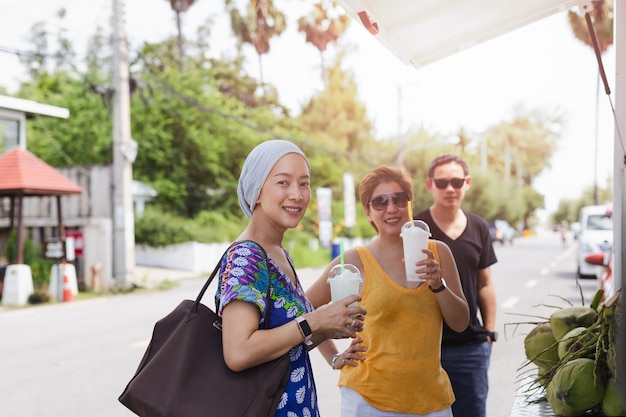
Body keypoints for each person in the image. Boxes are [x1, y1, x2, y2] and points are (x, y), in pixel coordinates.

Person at [215, 140, 367, 417]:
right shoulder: (247, 256)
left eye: (304, 183)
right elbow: (238, 352)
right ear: (256, 190)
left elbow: (286, 345)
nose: (297, 194)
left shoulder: (278, 253)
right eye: (283, 183)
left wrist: (325, 332)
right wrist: (315, 320)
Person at [307, 165, 469, 417]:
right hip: (367, 398)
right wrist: (334, 358)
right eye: (380, 202)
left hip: (430, 398)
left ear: (410, 205)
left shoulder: (438, 253)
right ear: (368, 212)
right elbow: (305, 308)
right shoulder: (354, 260)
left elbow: (460, 323)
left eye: (398, 199)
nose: (391, 208)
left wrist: (438, 285)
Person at [414, 154, 498, 417]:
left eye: (457, 181)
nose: (450, 188)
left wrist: (489, 332)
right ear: (429, 185)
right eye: (442, 182)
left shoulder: (479, 227)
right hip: (423, 346)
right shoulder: (414, 228)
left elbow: (485, 284)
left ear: (467, 183)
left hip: (469, 347)